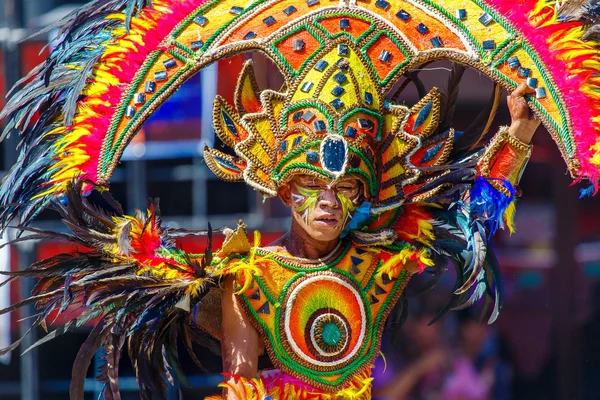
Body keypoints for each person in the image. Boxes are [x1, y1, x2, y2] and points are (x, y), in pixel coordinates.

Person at [0, 1, 598, 399]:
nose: (329, 204)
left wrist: (519, 132)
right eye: (313, 188)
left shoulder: (380, 264)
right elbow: (240, 384)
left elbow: (472, 220)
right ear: (284, 189)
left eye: (345, 191)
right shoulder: (249, 279)